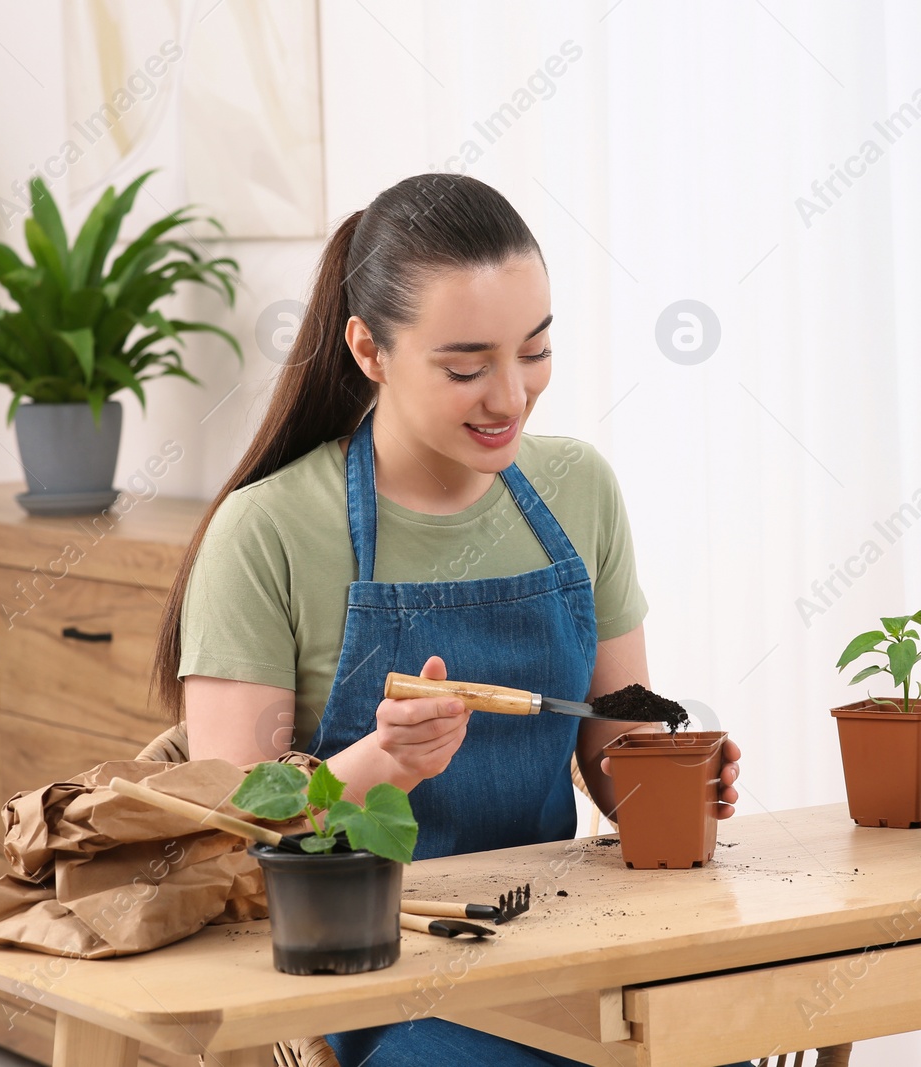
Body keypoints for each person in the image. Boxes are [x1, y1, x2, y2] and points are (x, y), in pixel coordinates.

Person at [152, 172, 743, 1066]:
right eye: (466, 367)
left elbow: (609, 754)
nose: (510, 396)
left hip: (560, 944)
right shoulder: (269, 529)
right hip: (366, 974)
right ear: (368, 349)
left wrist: (674, 781)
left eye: (535, 352)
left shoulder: (578, 489)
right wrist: (378, 761)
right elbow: (228, 841)